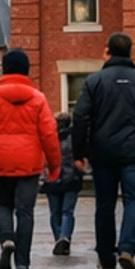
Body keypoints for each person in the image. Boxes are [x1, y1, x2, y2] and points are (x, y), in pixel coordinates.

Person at [71, 31, 135, 269]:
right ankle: (127, 248)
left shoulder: (94, 82)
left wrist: (79, 151)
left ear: (107, 51)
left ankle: (106, 255)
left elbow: (81, 117)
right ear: (130, 52)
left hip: (102, 152)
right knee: (134, 201)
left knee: (104, 204)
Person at [0, 49, 60, 269]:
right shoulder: (38, 98)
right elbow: (49, 134)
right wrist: (54, 164)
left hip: (1, 157)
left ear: (4, 69)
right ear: (26, 70)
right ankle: (23, 263)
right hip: (29, 161)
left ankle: (6, 239)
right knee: (25, 212)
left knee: (2, 203)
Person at [45, 109, 83, 256]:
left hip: (52, 179)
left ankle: (58, 240)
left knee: (55, 212)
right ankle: (64, 238)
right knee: (67, 212)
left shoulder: (49, 137)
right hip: (71, 178)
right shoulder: (74, 138)